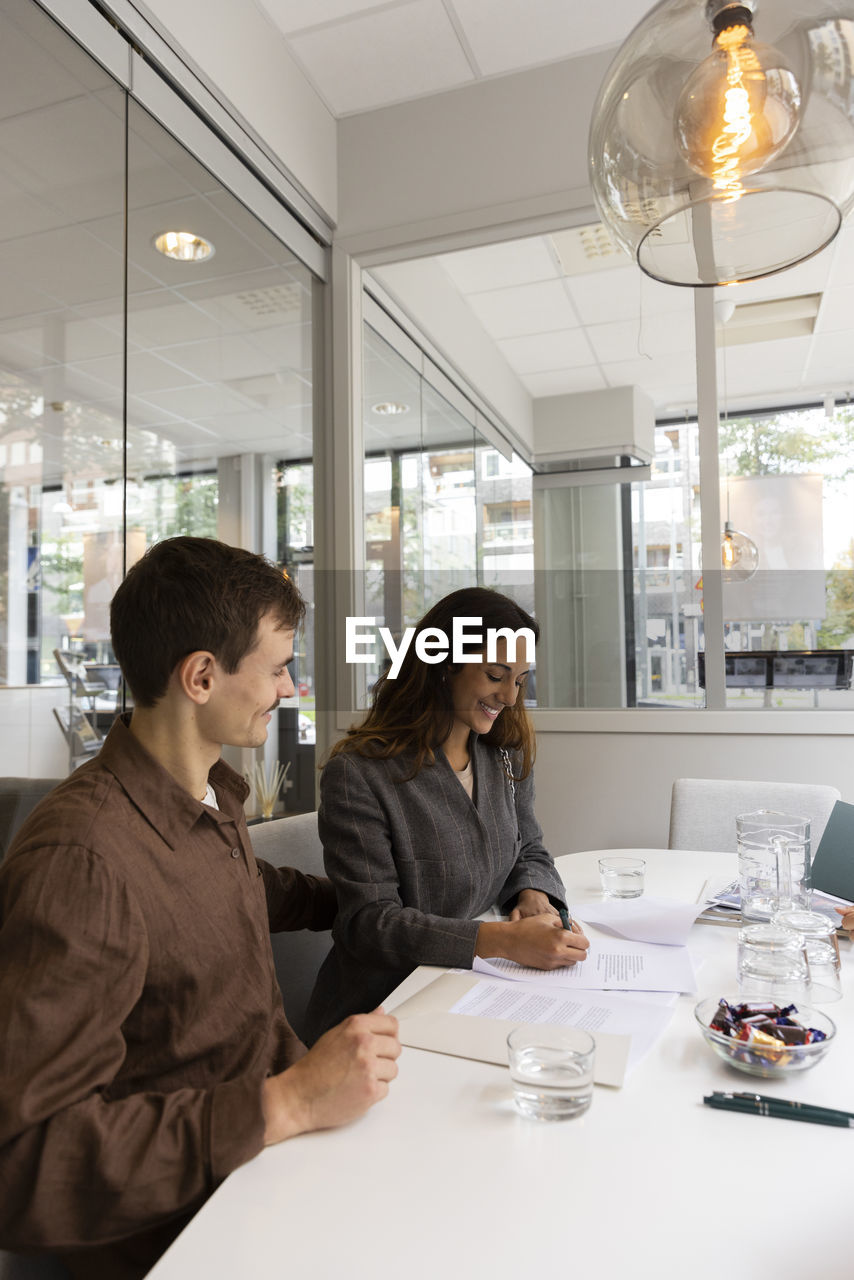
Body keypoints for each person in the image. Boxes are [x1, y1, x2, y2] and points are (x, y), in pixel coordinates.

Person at [0, 537, 400, 1280]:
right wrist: (287, 1103)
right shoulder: (82, 861)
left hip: (278, 1170)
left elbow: (233, 890)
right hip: (191, 1237)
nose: (287, 688)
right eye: (279, 667)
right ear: (203, 676)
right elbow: (28, 1160)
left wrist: (364, 897)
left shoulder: (208, 794)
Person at [304, 587, 588, 1042]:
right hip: (379, 1015)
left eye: (519, 679)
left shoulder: (503, 754)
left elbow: (528, 847)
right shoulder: (359, 773)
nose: (510, 698)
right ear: (443, 664)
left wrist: (534, 893)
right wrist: (503, 941)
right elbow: (370, 923)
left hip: (476, 992)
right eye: (496, 675)